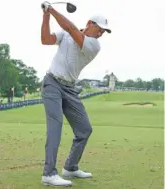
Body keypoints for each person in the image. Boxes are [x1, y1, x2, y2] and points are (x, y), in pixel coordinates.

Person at [40, 1, 112, 186]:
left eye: (104, 31)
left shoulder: (94, 45)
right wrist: (46, 16)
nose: (101, 33)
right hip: (52, 84)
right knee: (55, 127)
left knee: (84, 129)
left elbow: (71, 28)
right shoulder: (65, 35)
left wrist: (52, 8)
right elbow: (45, 39)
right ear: (89, 23)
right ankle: (48, 174)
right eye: (99, 28)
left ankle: (70, 167)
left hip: (70, 89)